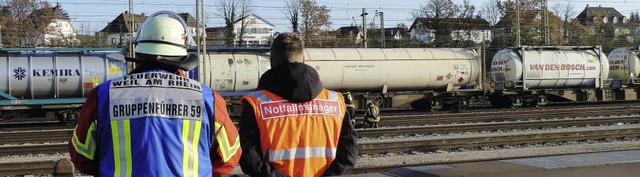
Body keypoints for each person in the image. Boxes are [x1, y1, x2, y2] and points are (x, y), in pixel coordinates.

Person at [68, 11, 241, 177]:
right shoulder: (208, 98)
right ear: (181, 57)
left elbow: (81, 156)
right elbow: (229, 157)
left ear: (140, 51)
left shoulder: (103, 95)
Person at [239, 32, 358, 177]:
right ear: (303, 60)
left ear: (271, 62)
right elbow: (349, 155)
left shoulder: (256, 105)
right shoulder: (335, 101)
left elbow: (250, 160)